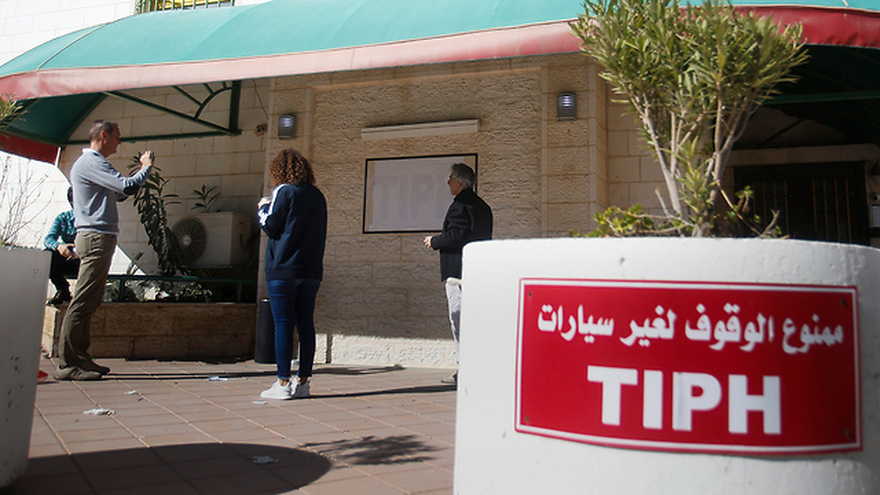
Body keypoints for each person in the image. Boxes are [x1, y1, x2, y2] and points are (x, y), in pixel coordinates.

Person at [54, 121, 154, 381]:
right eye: (117, 137)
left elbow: (120, 193)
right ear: (103, 135)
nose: (119, 143)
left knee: (89, 302)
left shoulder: (92, 165)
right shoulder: (92, 162)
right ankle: (68, 364)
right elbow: (127, 187)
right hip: (96, 237)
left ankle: (81, 358)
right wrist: (146, 167)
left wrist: (135, 174)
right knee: (82, 302)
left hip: (98, 237)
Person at [257, 148, 327, 400]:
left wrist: (262, 209)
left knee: (283, 324)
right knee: (306, 323)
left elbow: (271, 226)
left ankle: (283, 381)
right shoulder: (318, 196)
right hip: (310, 269)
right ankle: (304, 382)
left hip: (283, 268)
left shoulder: (283, 191)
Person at [423, 163, 493, 384]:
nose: (448, 182)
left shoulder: (460, 205)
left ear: (461, 182)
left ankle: (466, 370)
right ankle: (479, 367)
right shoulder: (483, 206)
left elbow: (457, 235)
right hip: (477, 270)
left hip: (458, 270)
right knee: (474, 322)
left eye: (451, 178)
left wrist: (434, 241)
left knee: (459, 320)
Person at [44, 187, 79, 306]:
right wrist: (59, 246)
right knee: (47, 255)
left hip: (84, 259)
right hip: (67, 259)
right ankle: (63, 290)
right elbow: (48, 239)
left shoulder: (94, 218)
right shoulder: (63, 218)